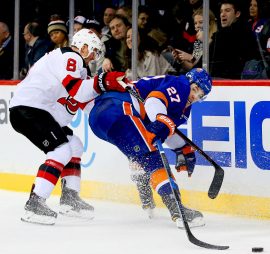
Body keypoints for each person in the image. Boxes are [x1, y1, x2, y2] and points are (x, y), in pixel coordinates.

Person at [9, 29, 128, 225]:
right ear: (83, 47)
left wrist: (119, 116)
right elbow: (79, 92)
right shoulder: (70, 56)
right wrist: (104, 81)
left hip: (37, 109)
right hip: (29, 108)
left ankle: (69, 199)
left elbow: (87, 103)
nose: (94, 57)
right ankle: (35, 202)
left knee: (74, 145)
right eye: (94, 52)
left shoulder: (75, 65)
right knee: (61, 150)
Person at [88, 68, 212, 228]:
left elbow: (166, 127)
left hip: (103, 117)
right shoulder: (181, 84)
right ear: (190, 82)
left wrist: (182, 148)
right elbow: (154, 101)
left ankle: (146, 198)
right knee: (151, 156)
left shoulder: (184, 107)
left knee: (140, 151)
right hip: (118, 108)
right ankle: (177, 209)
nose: (194, 96)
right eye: (195, 89)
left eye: (200, 96)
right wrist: (161, 122)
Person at [209, 0, 259, 79]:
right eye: (221, 11)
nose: (223, 14)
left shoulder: (244, 33)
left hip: (235, 82)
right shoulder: (219, 35)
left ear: (237, 14)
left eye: (227, 11)